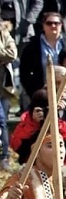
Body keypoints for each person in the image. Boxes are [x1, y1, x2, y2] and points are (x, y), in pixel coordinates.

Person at [18, 12, 66, 103]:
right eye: (49, 23)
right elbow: (24, 71)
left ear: (61, 25)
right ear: (43, 25)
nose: (53, 25)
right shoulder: (33, 45)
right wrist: (33, 92)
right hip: (43, 94)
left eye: (56, 23)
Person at [10, 88, 66, 163]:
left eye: (46, 109)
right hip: (33, 166)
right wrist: (33, 125)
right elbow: (16, 145)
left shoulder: (59, 122)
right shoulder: (27, 120)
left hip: (59, 167)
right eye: (40, 109)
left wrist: (56, 123)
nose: (44, 112)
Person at [0, 20, 14, 172]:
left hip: (2, 87)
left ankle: (4, 157)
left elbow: (13, 54)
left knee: (2, 122)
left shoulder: (4, 32)